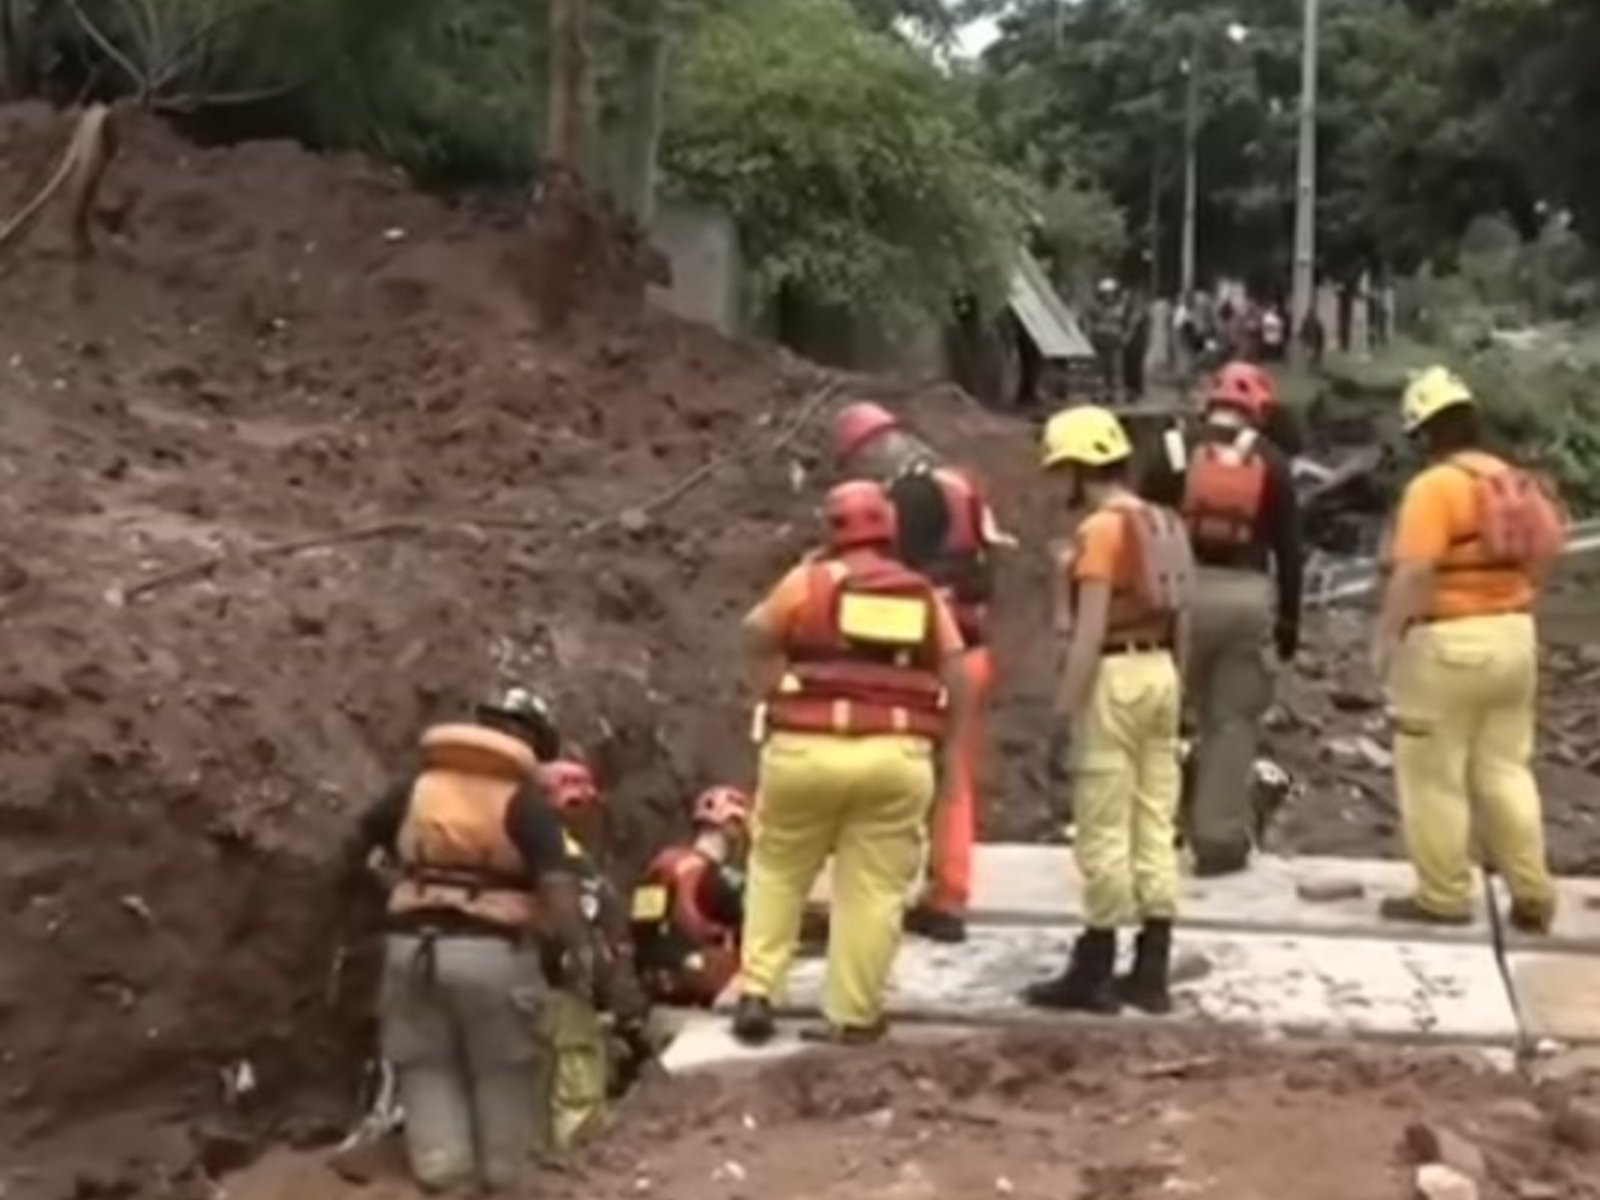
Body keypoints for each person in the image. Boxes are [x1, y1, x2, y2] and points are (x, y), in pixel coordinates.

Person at [733, 481, 970, 1044]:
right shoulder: (921, 595)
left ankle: (758, 989)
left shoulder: (807, 582)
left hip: (805, 752)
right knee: (873, 891)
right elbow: (956, 671)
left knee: (779, 871)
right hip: (894, 757)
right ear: (889, 530)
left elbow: (755, 632)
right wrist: (948, 744)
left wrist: (772, 691)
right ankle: (853, 1016)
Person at [351, 687, 585, 1195]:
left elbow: (363, 839)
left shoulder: (418, 789)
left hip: (410, 951)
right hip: (493, 953)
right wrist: (565, 948)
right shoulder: (525, 805)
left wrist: (401, 891)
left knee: (425, 1065)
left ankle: (444, 1176)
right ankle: (503, 1178)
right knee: (504, 1067)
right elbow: (559, 889)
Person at [1371, 367, 1564, 932]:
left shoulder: (1435, 488)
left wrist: (1385, 638)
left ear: (1425, 433)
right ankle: (1532, 892)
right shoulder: (1513, 481)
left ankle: (1443, 894)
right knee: (1506, 769)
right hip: (1513, 636)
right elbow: (1549, 547)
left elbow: (1414, 572)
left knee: (1433, 774)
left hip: (1448, 644)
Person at [1023, 406, 1192, 1015]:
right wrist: (1182, 690)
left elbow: (1088, 631)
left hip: (1115, 676)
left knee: (1102, 826)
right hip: (1162, 674)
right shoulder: (1162, 521)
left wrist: (1064, 713)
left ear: (1078, 469)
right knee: (1155, 823)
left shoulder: (1101, 533)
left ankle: (1093, 967)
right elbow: (1183, 620)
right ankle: (1152, 967)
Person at [832, 402, 1012, 944]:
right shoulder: (963, 488)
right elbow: (988, 574)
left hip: (924, 664)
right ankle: (948, 896)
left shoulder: (905, 501)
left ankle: (884, 889)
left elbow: (883, 583)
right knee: (955, 777)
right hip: (974, 654)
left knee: (898, 774)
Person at [1141, 361, 1304, 876]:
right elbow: (1290, 551)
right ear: (1257, 410)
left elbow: (1139, 526)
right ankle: (1218, 841)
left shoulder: (1170, 447)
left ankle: (1151, 831)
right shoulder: (1272, 462)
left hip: (1175, 596)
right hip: (1246, 597)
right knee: (1231, 722)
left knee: (1158, 720)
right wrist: (1289, 626)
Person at [532, 759, 648, 1156]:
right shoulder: (568, 862)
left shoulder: (516, 845)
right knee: (575, 1085)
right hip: (561, 987)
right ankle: (572, 1164)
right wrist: (615, 991)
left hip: (521, 980)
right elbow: (588, 930)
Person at [631, 785, 752, 1007]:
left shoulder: (663, 864)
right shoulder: (724, 878)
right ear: (732, 825)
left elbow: (641, 927)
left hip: (655, 980)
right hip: (706, 981)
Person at [1089, 278, 1127, 405]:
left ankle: (1115, 395)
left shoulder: (1120, 307)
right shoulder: (1095, 308)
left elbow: (1124, 324)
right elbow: (1090, 324)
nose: (1109, 297)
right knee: (1100, 371)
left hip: (1115, 342)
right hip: (1100, 342)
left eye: (1111, 294)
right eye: (1106, 294)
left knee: (1115, 371)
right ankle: (1100, 395)